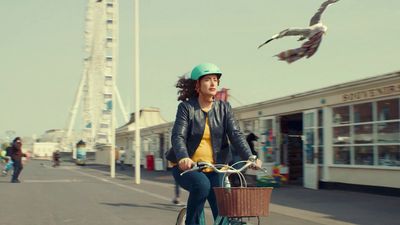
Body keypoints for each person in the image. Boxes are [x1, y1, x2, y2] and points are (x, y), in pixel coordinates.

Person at [167, 63, 262, 225]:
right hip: (189, 168)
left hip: (216, 167)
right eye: (207, 80)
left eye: (215, 80)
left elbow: (236, 134)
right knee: (202, 186)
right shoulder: (186, 108)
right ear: (197, 85)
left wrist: (250, 157)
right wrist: (183, 157)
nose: (213, 83)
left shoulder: (224, 108)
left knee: (224, 210)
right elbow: (178, 135)